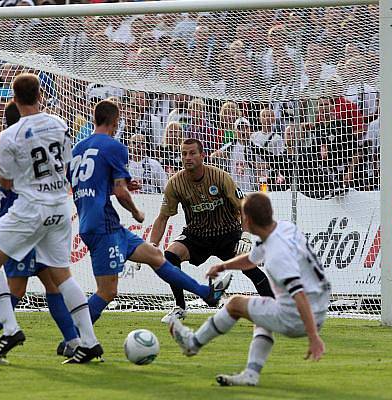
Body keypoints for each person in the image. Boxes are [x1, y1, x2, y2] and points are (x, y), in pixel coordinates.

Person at [70, 100, 231, 328]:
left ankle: (207, 294)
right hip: (103, 226)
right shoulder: (114, 146)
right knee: (107, 291)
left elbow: (85, 184)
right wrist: (135, 211)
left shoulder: (78, 149)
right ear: (115, 122)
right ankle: (74, 337)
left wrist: (121, 184)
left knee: (156, 256)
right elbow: (119, 191)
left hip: (96, 222)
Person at [0, 73, 100, 363]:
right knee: (61, 277)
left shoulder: (11, 135)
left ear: (14, 99)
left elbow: (7, 184)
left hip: (31, 208)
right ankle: (89, 341)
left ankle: (10, 328)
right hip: (60, 207)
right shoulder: (60, 124)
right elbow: (66, 165)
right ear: (41, 94)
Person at [169, 192, 330, 387]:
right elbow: (251, 259)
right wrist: (223, 266)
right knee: (260, 317)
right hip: (319, 307)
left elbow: (299, 294)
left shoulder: (277, 256)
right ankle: (251, 375)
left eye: (242, 216)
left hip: (300, 316)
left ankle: (192, 344)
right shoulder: (284, 228)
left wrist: (313, 337)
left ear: (249, 219)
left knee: (235, 304)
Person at [150, 138, 274, 323]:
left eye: (192, 153)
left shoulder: (220, 177)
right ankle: (180, 307)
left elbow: (244, 207)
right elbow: (162, 217)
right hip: (197, 235)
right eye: (184, 154)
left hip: (227, 232)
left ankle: (273, 307)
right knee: (170, 256)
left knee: (250, 266)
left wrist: (246, 236)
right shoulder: (175, 183)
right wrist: (152, 244)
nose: (187, 157)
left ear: (202, 155)